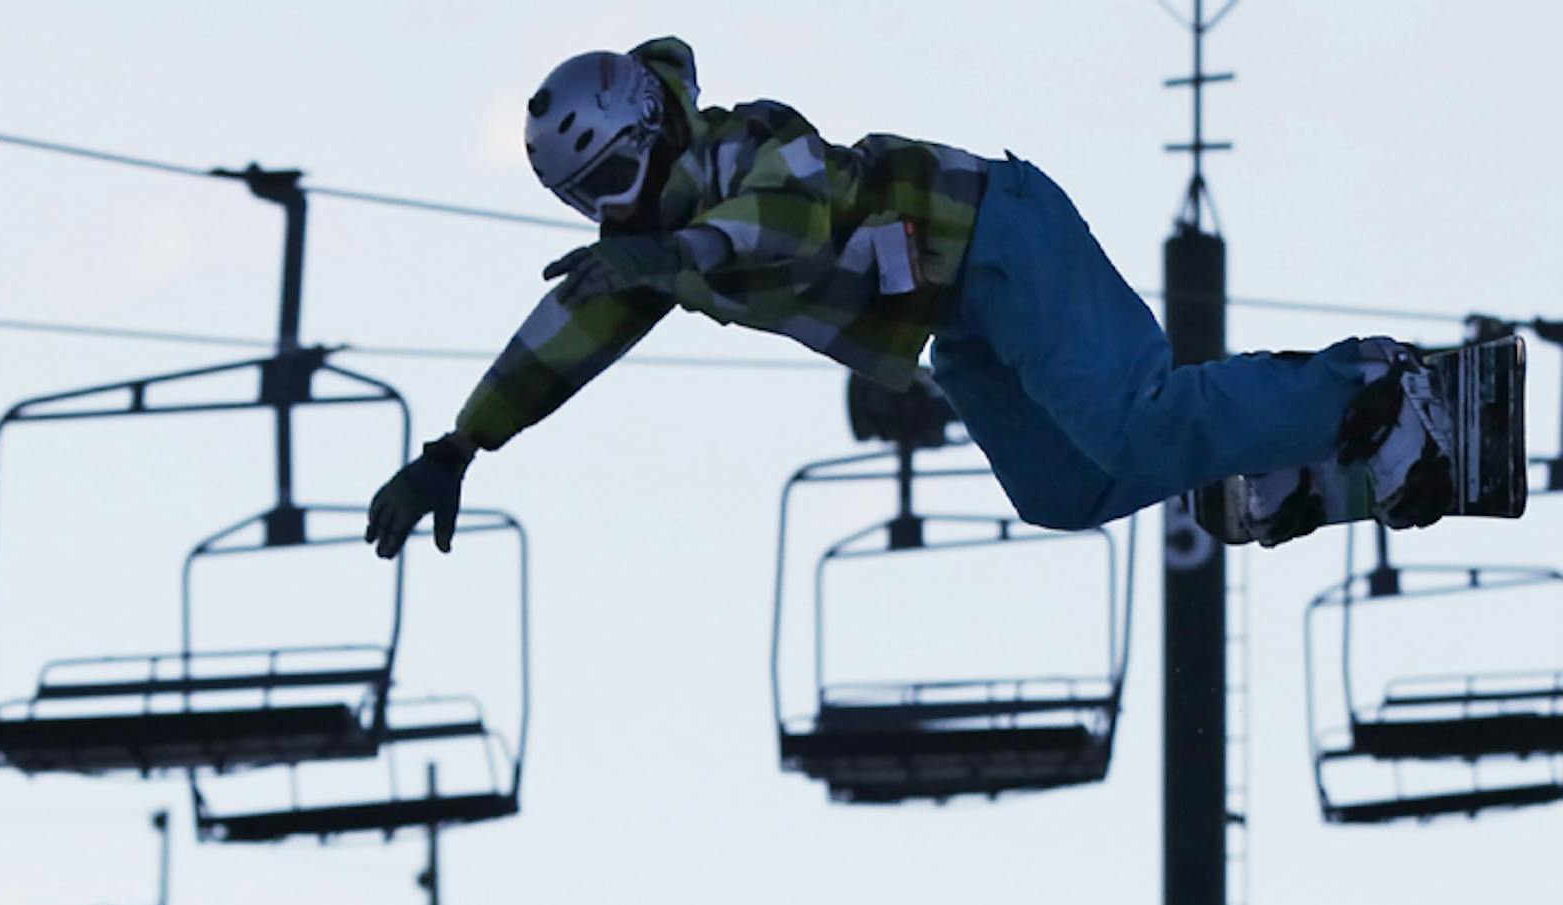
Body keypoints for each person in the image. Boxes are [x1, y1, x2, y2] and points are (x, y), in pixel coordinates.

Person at [365, 37, 1453, 558]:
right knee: (1063, 489)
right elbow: (566, 334)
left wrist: (674, 255)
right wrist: (459, 448)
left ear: (654, 129)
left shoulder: (752, 142)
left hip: (996, 233)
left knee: (1132, 420)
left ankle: (1372, 386)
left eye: (615, 176)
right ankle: (1282, 451)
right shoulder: (655, 246)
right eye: (587, 199)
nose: (616, 208)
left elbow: (791, 221)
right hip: (953, 318)